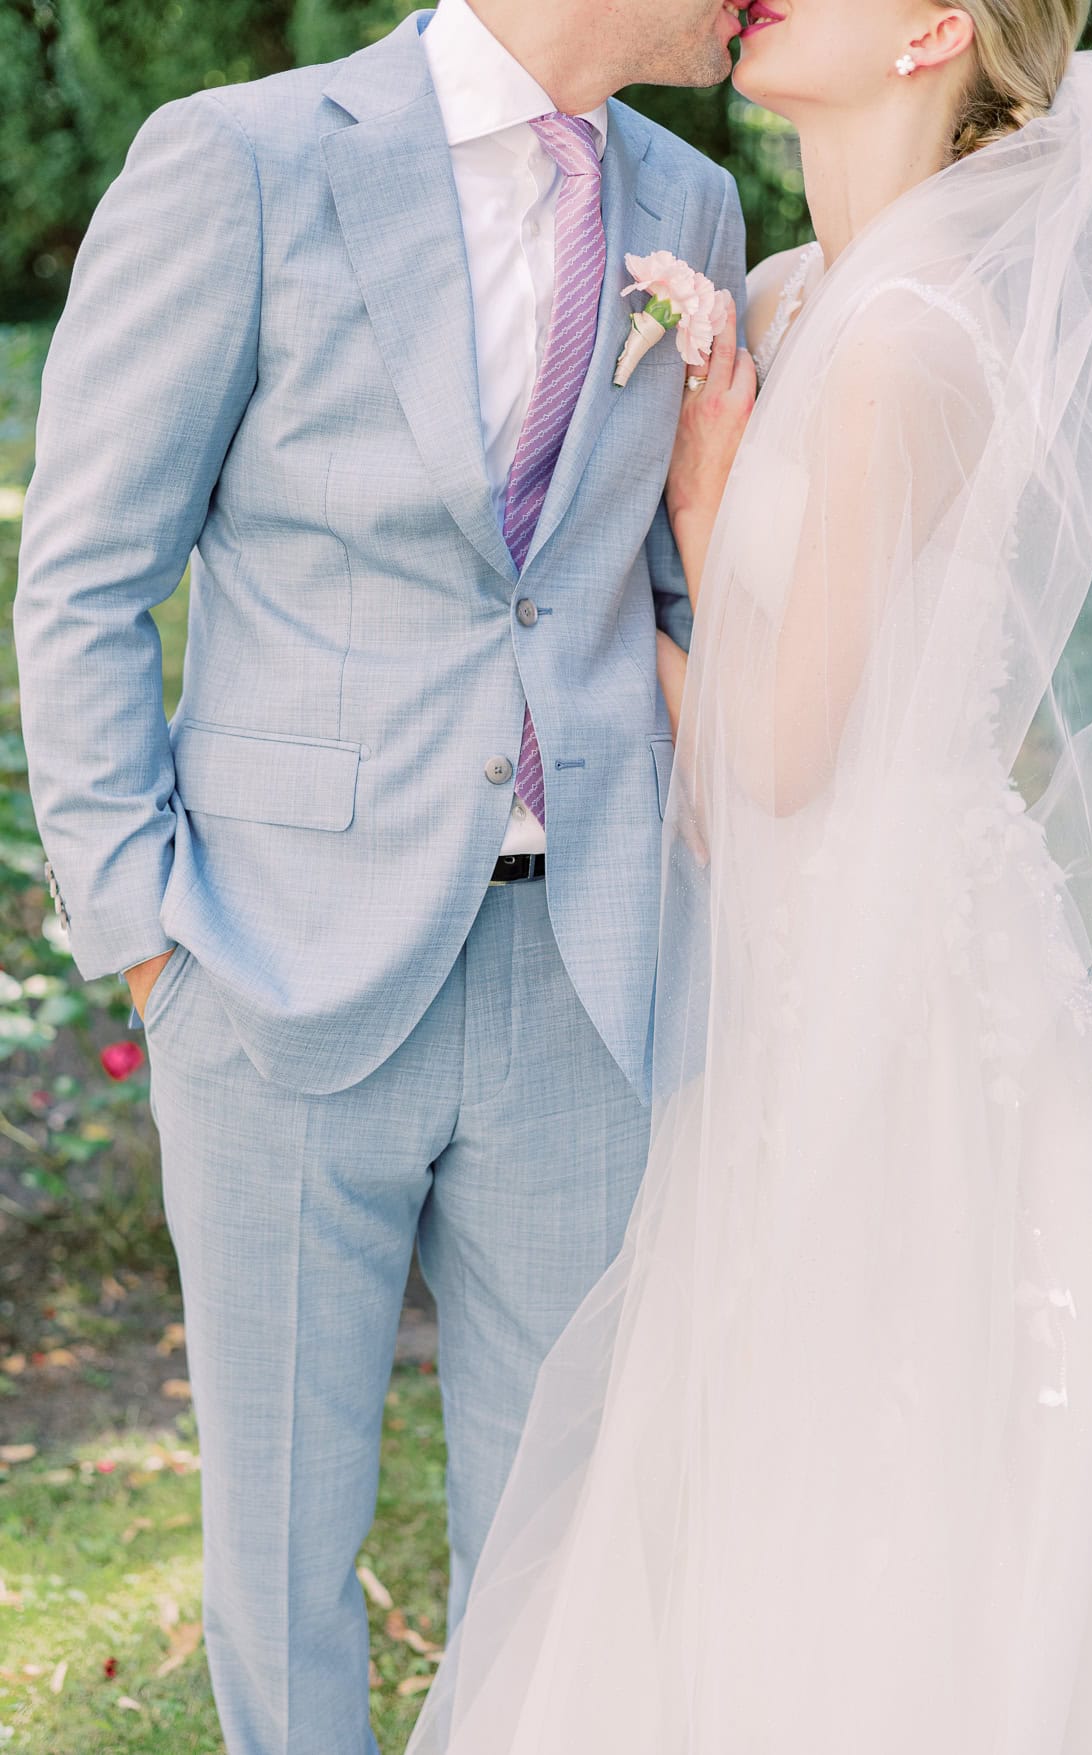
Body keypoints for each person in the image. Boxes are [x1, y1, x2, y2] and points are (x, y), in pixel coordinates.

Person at [405, 4, 1092, 1751]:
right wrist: (698, 520)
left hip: (895, 995)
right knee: (765, 1423)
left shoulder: (907, 339)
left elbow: (769, 761)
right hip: (787, 949)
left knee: (878, 1440)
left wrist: (531, 647)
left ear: (927, 34)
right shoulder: (791, 300)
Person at [11, 0, 747, 1746]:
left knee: (555, 1538)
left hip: (584, 969)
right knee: (280, 1537)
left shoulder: (691, 208)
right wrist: (144, 937)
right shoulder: (243, 164)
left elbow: (652, 588)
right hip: (268, 967)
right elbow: (86, 574)